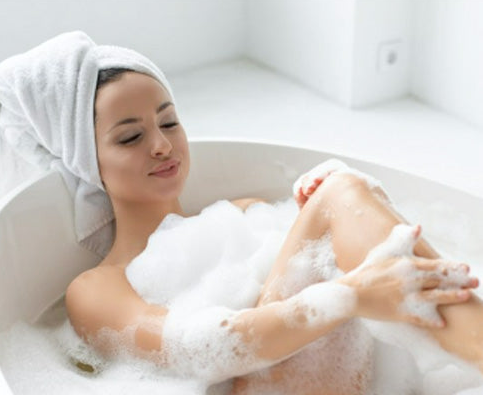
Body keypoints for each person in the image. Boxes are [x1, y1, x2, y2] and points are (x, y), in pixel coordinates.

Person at [64, 67, 483, 394]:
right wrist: (350, 294)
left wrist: (330, 226)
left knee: (341, 192)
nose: (161, 145)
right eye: (131, 136)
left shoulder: (246, 214)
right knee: (341, 190)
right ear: (88, 162)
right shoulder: (96, 287)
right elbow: (195, 350)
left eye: (169, 122)